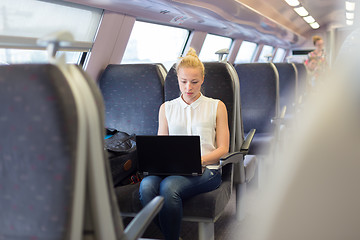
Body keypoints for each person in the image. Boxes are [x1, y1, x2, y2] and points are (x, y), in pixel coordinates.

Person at [139, 48, 230, 240]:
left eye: (194, 82)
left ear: (203, 79)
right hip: (173, 169)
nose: (189, 87)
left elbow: (223, 149)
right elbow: (161, 145)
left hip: (207, 169)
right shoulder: (166, 108)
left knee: (169, 187)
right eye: (183, 81)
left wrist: (198, 160)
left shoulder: (217, 106)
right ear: (177, 79)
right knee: (147, 187)